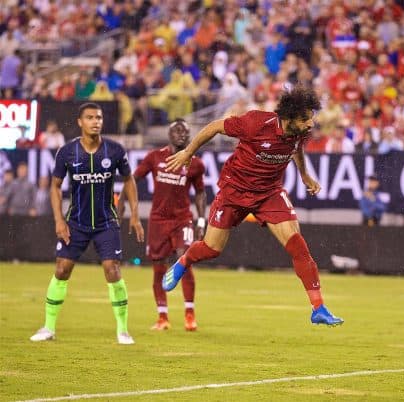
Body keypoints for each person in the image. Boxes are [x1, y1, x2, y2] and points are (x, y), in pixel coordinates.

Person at [162, 86, 343, 326]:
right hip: (234, 189)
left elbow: (296, 149)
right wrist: (188, 152)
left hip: (269, 192)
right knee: (211, 249)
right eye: (305, 119)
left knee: (298, 245)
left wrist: (304, 176)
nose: (310, 124)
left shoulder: (299, 131)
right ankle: (184, 261)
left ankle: (318, 308)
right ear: (288, 117)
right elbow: (215, 126)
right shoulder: (255, 123)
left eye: (311, 118)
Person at [30, 103, 144, 345]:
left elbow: (129, 180)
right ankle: (48, 327)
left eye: (99, 117)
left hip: (106, 222)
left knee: (112, 270)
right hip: (76, 222)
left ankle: (123, 330)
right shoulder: (67, 152)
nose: (96, 121)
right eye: (90, 117)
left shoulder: (114, 150)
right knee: (61, 270)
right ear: (80, 122)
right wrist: (59, 219)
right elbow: (55, 187)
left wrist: (134, 214)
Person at [118, 119, 206, 331]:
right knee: (158, 268)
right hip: (158, 221)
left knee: (184, 261)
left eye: (185, 131)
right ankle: (163, 317)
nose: (181, 134)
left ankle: (189, 314)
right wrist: (121, 203)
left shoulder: (195, 163)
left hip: (182, 219)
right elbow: (132, 179)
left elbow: (201, 192)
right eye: (177, 131)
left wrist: (202, 220)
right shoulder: (155, 157)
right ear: (169, 135)